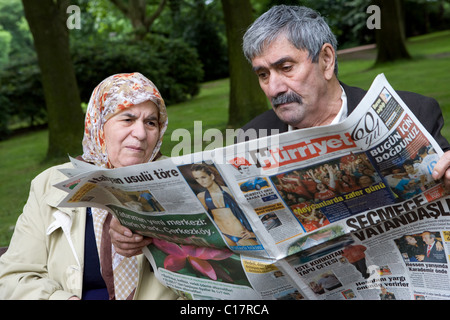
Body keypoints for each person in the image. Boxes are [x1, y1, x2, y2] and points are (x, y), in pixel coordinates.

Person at [0, 72, 178, 300]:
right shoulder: (50, 183)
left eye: (150, 122)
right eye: (128, 119)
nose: (141, 133)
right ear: (98, 124)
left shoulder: (176, 177)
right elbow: (13, 277)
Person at [237, 5, 450, 189]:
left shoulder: (413, 112)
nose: (274, 89)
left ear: (326, 60)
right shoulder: (251, 139)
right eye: (263, 75)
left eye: (285, 68)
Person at [190, 163, 259, 247]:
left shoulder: (229, 191)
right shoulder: (201, 196)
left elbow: (249, 210)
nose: (201, 181)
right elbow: (202, 220)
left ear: (211, 176)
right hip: (223, 235)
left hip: (241, 235)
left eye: (203, 177)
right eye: (197, 179)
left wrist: (254, 233)